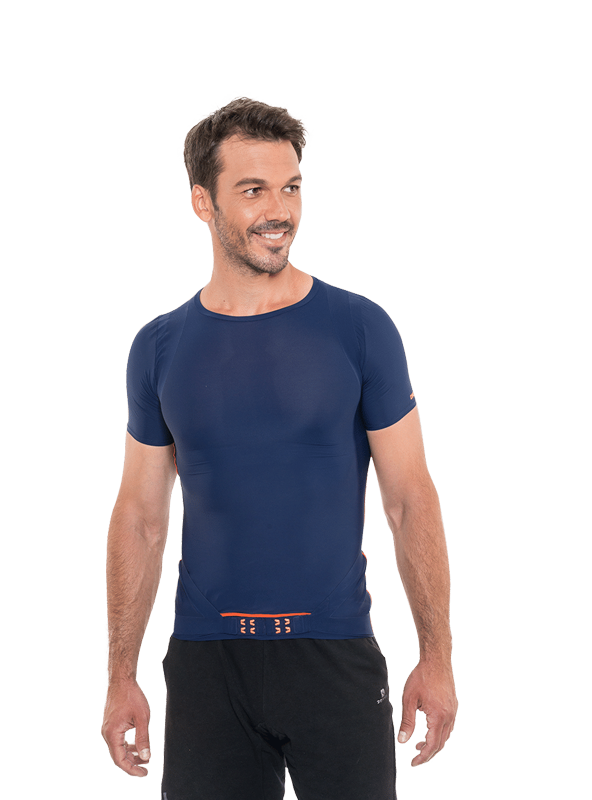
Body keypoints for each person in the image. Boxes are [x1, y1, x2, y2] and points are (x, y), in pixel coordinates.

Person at [102, 97, 457, 800]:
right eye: (253, 190)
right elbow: (139, 517)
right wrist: (120, 675)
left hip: (334, 656)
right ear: (202, 202)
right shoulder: (160, 347)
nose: (280, 210)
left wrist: (438, 658)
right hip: (207, 664)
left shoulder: (359, 329)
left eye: (291, 187)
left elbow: (410, 501)